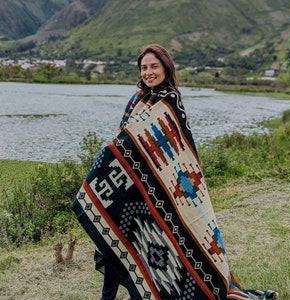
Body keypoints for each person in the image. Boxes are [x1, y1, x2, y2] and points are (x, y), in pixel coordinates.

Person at [72, 44, 278, 300]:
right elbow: (124, 139)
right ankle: (107, 297)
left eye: (154, 67)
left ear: (166, 68)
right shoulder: (136, 99)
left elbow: (174, 149)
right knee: (114, 238)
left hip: (163, 186)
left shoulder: (169, 99)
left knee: (148, 241)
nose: (148, 72)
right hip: (132, 183)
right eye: (144, 67)